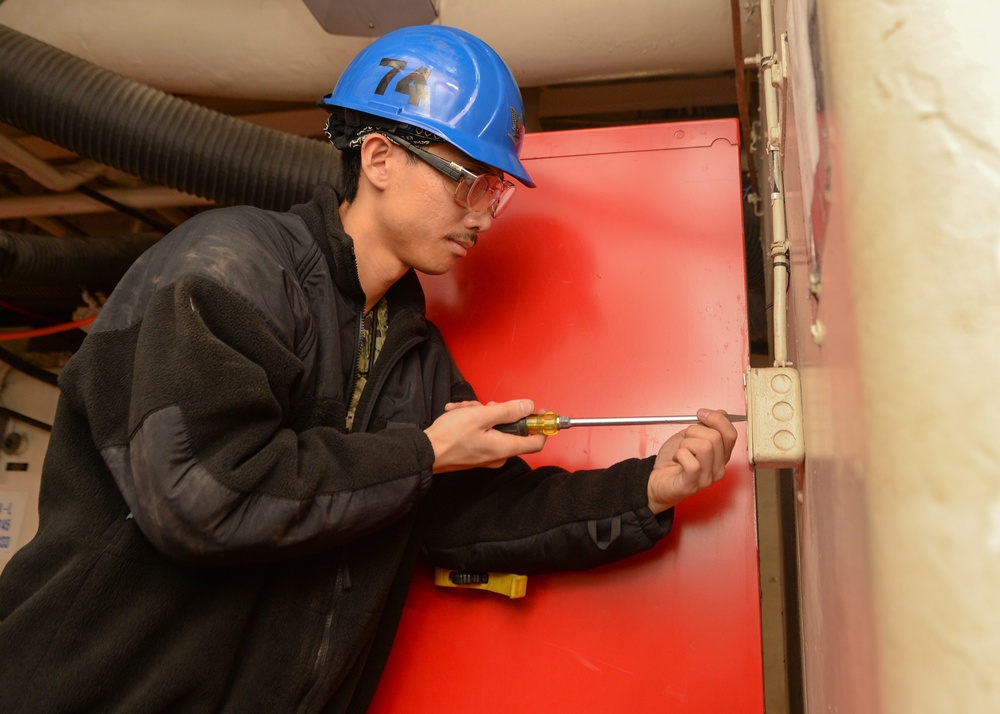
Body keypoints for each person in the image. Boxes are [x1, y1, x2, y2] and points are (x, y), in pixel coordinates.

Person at [0, 24, 737, 713]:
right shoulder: (230, 266)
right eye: (467, 178)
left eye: (497, 190)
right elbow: (201, 493)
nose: (484, 213)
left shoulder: (412, 354)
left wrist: (648, 489)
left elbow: (471, 517)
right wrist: (423, 453)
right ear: (379, 158)